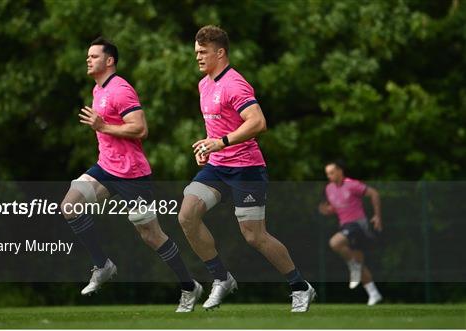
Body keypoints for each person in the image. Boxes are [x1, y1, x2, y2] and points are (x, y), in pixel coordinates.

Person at [177, 25, 316, 313]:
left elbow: (257, 122)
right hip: (217, 168)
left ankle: (300, 286)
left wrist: (222, 142)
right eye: (196, 53)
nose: (198, 58)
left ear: (220, 52)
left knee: (254, 236)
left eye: (203, 52)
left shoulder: (234, 83)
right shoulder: (205, 84)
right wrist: (207, 148)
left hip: (246, 169)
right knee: (187, 215)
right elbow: (216, 129)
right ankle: (221, 278)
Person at [60, 36, 202, 312]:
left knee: (151, 235)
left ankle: (189, 286)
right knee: (70, 206)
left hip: (132, 174)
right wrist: (103, 129)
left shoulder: (120, 89)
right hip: (105, 169)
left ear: (109, 60)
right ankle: (103, 265)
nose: (88, 59)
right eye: (87, 56)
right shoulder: (98, 90)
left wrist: (103, 126)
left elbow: (140, 129)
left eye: (94, 56)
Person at [318, 161, 383, 305]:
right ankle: (373, 293)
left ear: (340, 171)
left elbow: (374, 193)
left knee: (335, 243)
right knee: (359, 263)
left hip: (358, 225)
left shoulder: (352, 185)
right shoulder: (329, 189)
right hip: (346, 226)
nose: (329, 176)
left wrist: (377, 216)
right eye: (327, 173)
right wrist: (328, 211)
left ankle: (352, 265)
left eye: (332, 172)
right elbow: (337, 207)